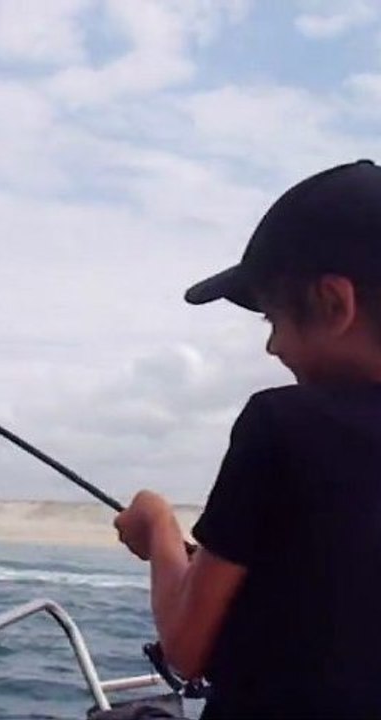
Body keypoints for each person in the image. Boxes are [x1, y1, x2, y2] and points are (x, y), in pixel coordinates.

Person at [114, 159, 381, 719]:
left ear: (335, 304)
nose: (273, 348)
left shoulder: (283, 424)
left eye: (273, 321)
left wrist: (159, 529)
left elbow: (187, 648)